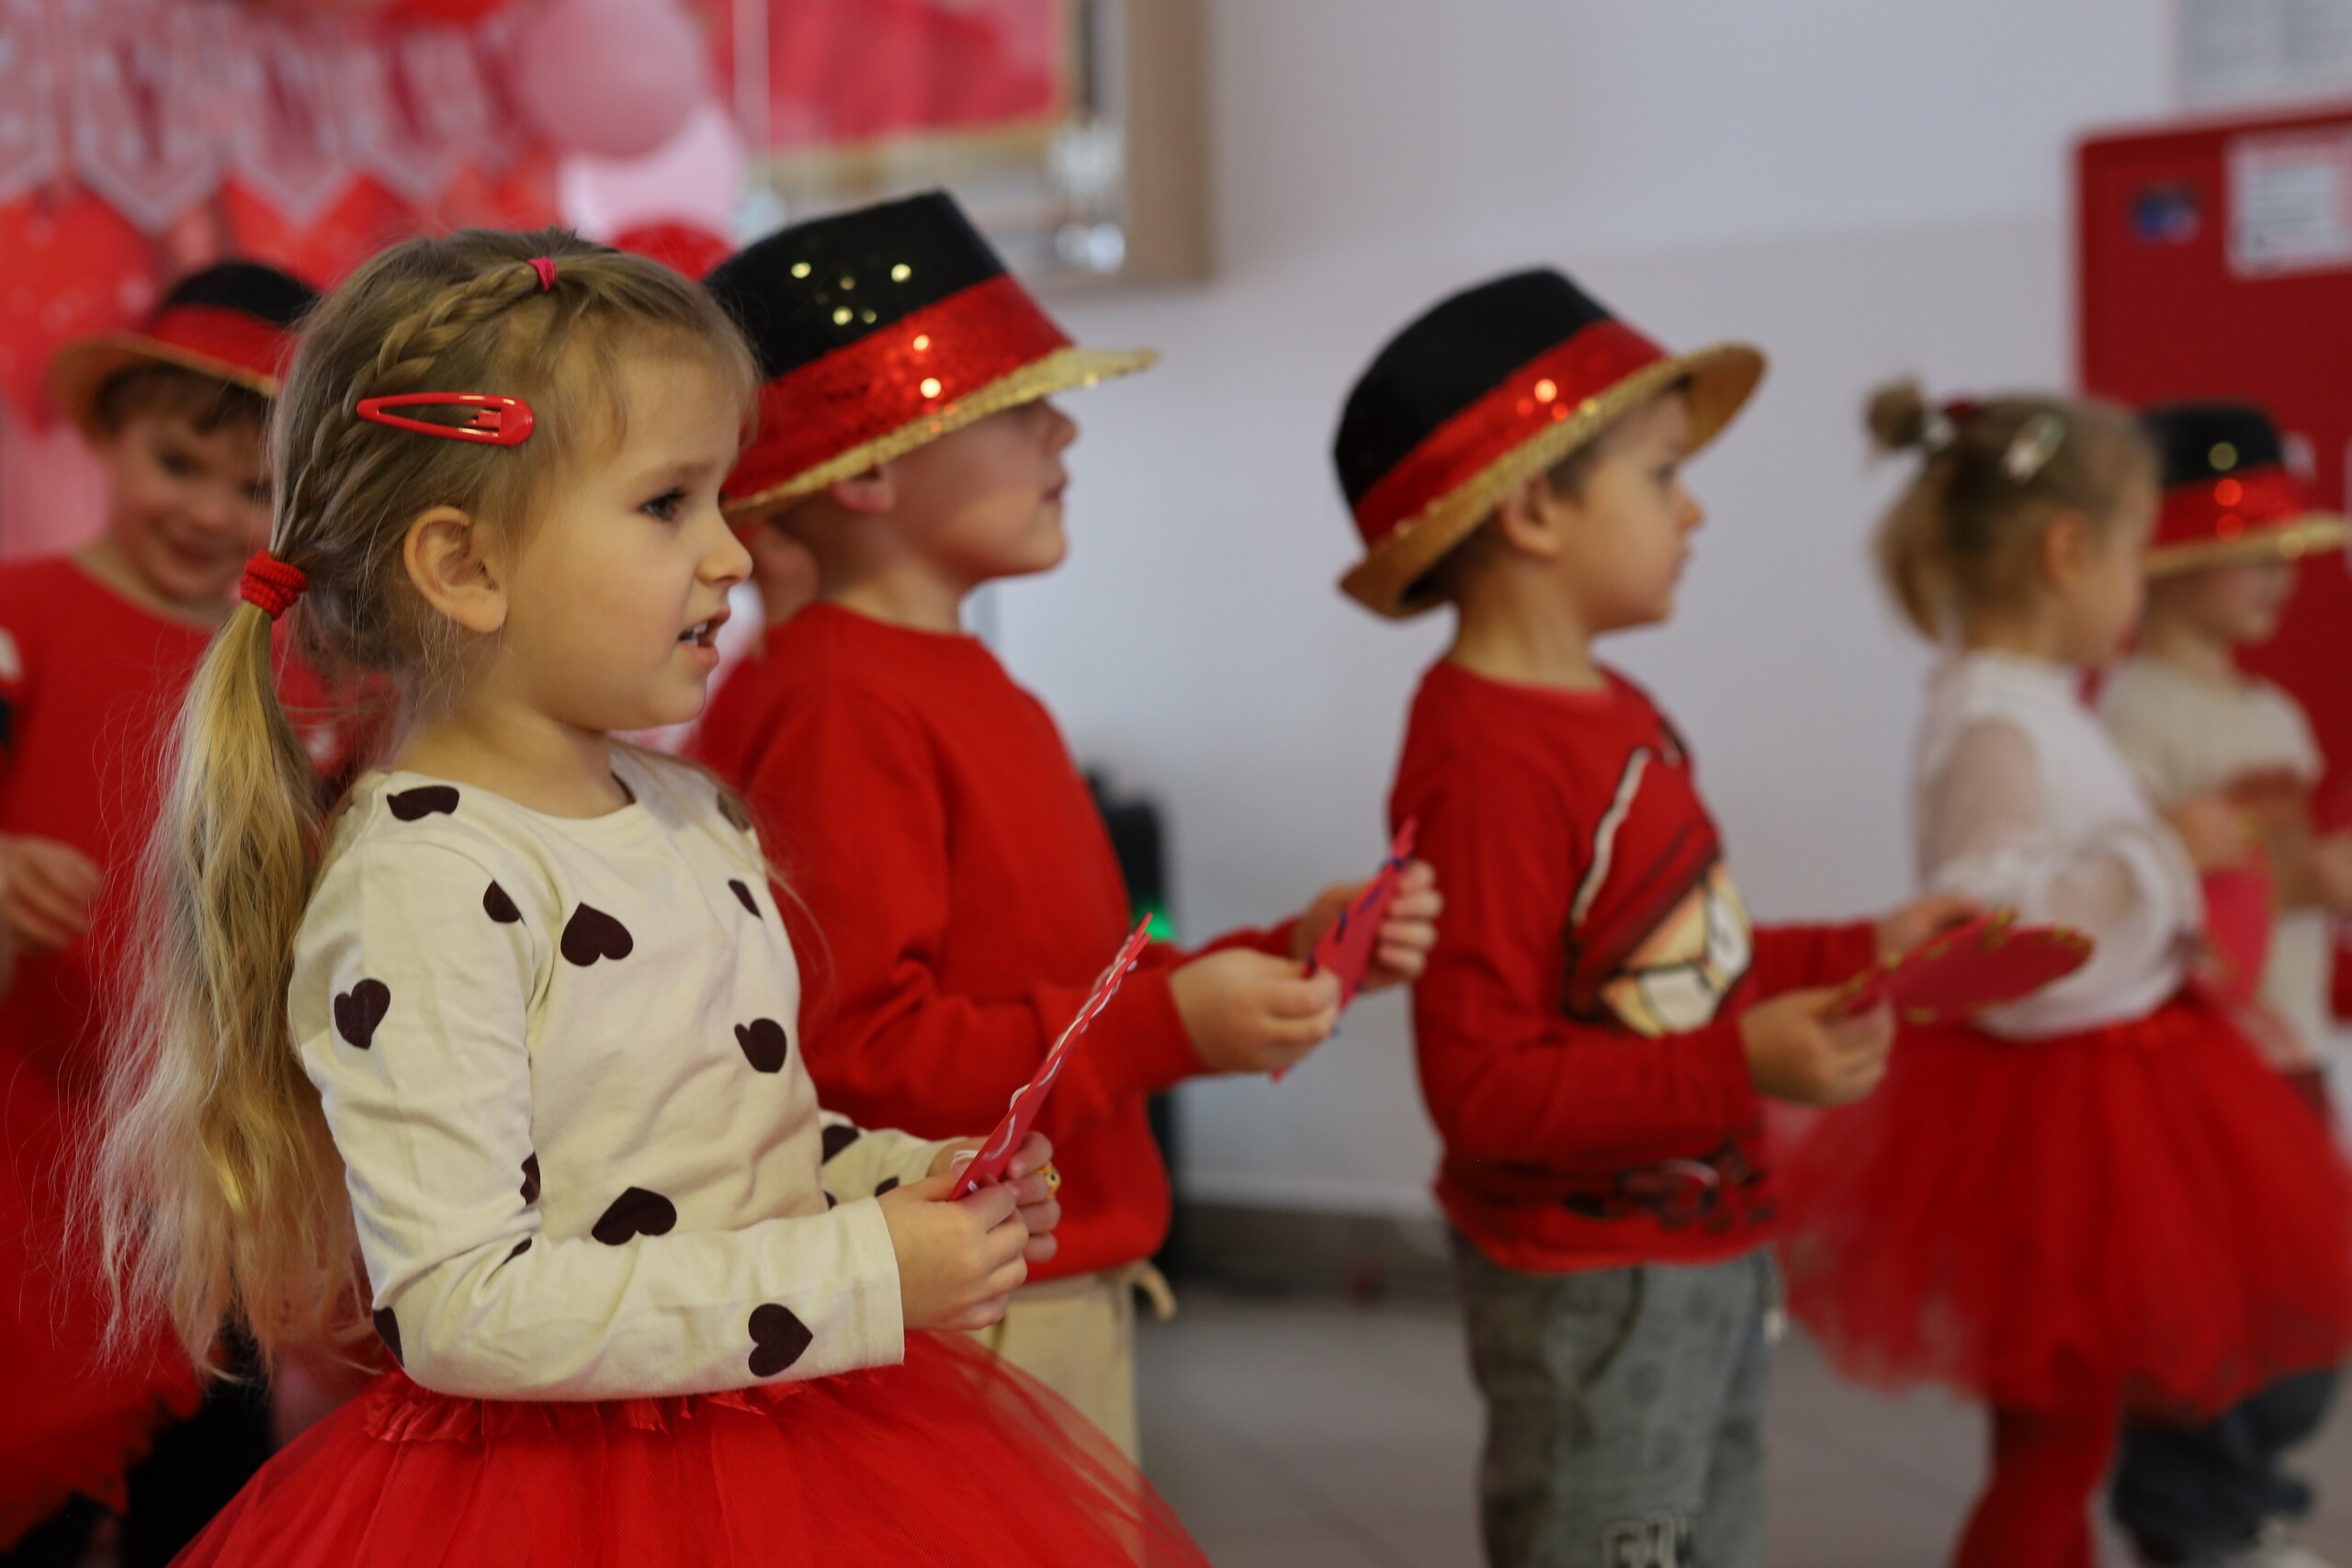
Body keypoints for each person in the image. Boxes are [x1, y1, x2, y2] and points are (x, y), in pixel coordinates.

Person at [88, 228, 1208, 1567]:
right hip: (561, 1494)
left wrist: (903, 1178)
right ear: (466, 567)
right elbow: (463, 1306)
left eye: (720, 497)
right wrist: (861, 1272)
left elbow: (726, 1142)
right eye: (668, 504)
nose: (732, 553)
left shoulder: (687, 810)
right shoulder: (423, 881)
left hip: (789, 1430)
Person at [691, 191, 1442, 1459]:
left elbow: (1057, 980)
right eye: (1016, 406)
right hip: (969, 1311)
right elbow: (857, 1059)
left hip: (1037, 1284)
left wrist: (1260, 960)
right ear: (867, 466)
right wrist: (1168, 1022)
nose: (1066, 429)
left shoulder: (959, 684)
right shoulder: (839, 705)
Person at [1341, 266, 1954, 1568]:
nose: (1696, 507)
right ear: (1534, 508)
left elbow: (1673, 961)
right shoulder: (1485, 759)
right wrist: (1742, 1066)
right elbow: (1485, 1088)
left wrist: (1866, 948)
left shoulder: (1614, 709)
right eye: (1664, 475)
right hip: (1595, 1290)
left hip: (1700, 1252)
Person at [1781, 384, 2352, 1568]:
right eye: (2138, 558)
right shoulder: (1995, 719)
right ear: (2067, 554)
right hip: (2057, 1115)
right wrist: (2165, 855)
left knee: (2065, 1437)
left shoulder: (2027, 704)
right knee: (2052, 1443)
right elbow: (1996, 933)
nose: (2139, 589)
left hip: (2095, 1097)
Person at [0, 261, 320, 1565]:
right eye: (176, 463)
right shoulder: (19, 615)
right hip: (36, 1127)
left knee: (213, 1475)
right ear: (115, 434)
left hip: (220, 1144)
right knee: (43, 1463)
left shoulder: (295, 675)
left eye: (251, 488)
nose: (204, 510)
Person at [2098, 401, 2352, 1568]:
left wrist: (2313, 882)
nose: (2276, 579)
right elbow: (2145, 894)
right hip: (2200, 1068)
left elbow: (2279, 887)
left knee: (2293, 1313)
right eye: (2249, 552)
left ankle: (2240, 1503)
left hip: (2285, 1046)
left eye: (2285, 553)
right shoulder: (2134, 715)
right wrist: (2297, 876)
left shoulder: (2271, 715)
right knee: (2207, 1312)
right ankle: (2193, 1522)